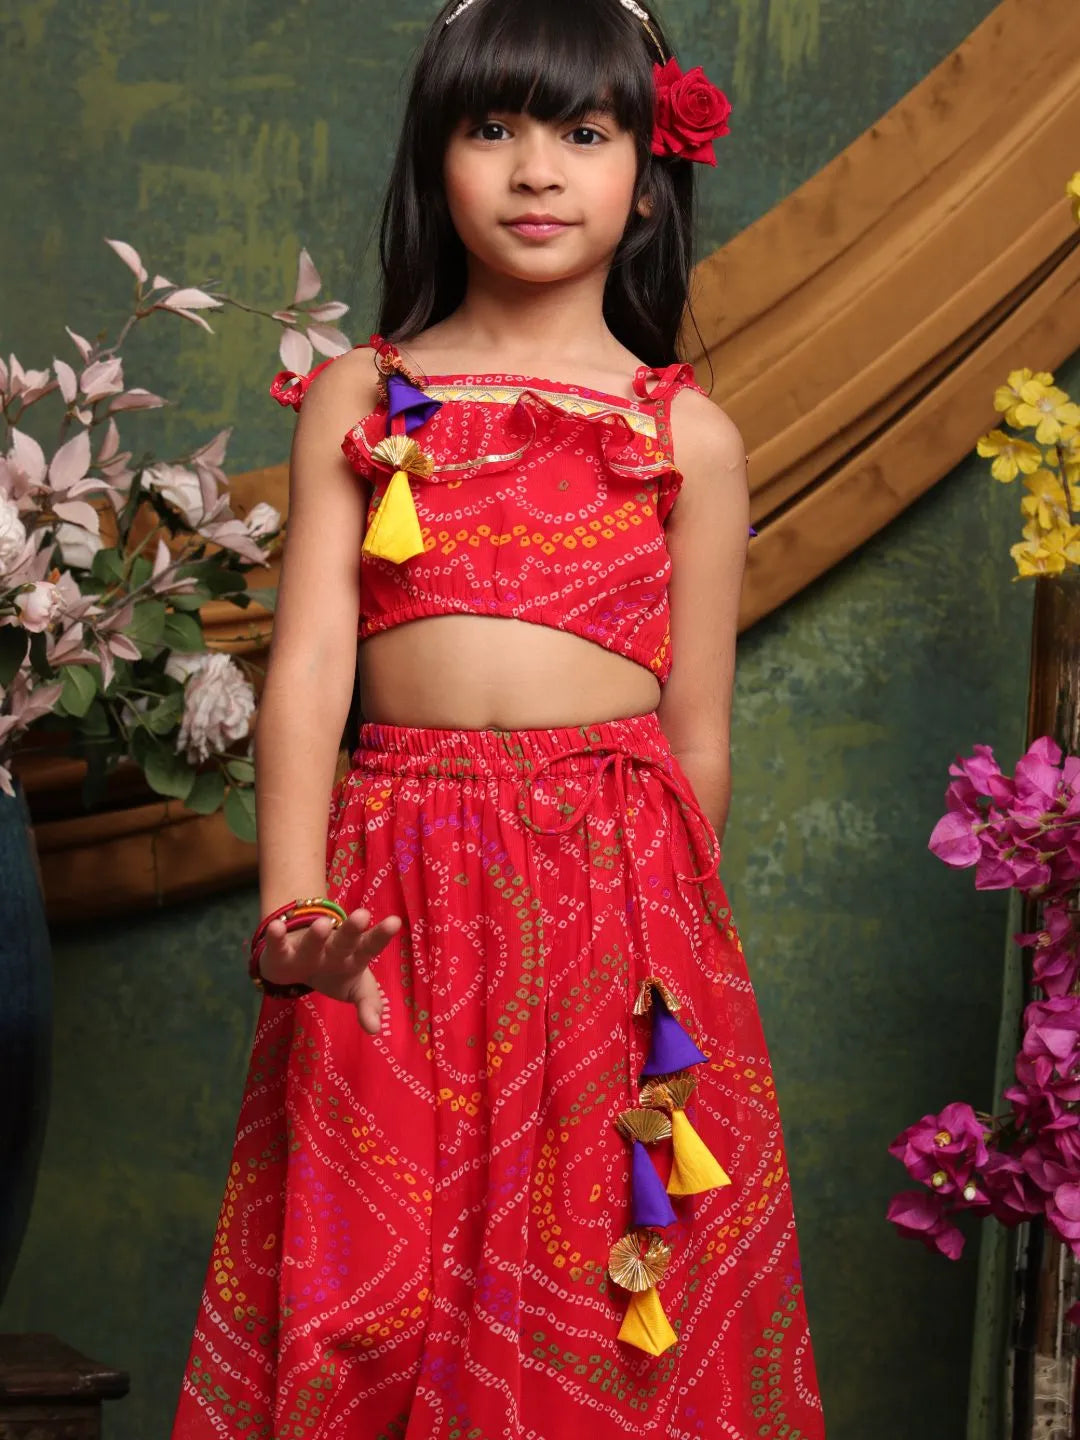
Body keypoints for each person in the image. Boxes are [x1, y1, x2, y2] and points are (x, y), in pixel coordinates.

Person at [171, 0, 825, 1434]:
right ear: (434, 158)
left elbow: (699, 736)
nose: (538, 170)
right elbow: (310, 675)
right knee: (378, 1289)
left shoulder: (684, 436)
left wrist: (663, 947)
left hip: (618, 914)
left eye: (583, 134)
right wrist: (293, 915)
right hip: (394, 888)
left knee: (593, 1278)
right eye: (494, 129)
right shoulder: (366, 394)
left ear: (647, 172)